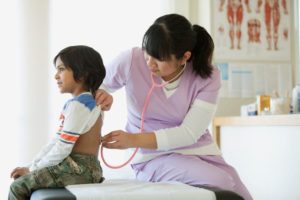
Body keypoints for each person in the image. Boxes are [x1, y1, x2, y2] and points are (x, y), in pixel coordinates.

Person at [97, 14, 252, 200]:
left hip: (199, 149)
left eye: (159, 58)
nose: (149, 63)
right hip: (151, 156)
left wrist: (132, 139)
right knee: (223, 183)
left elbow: (189, 133)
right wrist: (103, 93)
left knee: (239, 190)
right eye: (147, 51)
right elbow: (99, 84)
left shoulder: (208, 76)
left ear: (184, 57)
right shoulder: (131, 60)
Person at [9, 45, 106, 200]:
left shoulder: (78, 106)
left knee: (18, 186)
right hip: (85, 168)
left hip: (79, 169)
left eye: (61, 69)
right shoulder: (87, 102)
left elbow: (62, 148)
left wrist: (32, 170)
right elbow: (57, 141)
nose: (56, 76)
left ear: (82, 74)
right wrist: (32, 166)